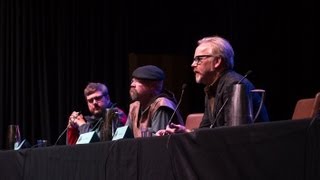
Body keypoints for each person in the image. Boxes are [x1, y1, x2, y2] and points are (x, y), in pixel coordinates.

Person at [156, 35, 269, 135]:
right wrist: (184, 132)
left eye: (199, 59)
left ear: (217, 61)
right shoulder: (211, 87)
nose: (192, 64)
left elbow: (234, 132)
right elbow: (206, 128)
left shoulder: (234, 85)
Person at [126, 65, 184, 138]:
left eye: (139, 82)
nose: (132, 85)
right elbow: (125, 138)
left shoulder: (162, 105)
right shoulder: (135, 106)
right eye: (132, 81)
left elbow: (158, 142)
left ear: (153, 86)